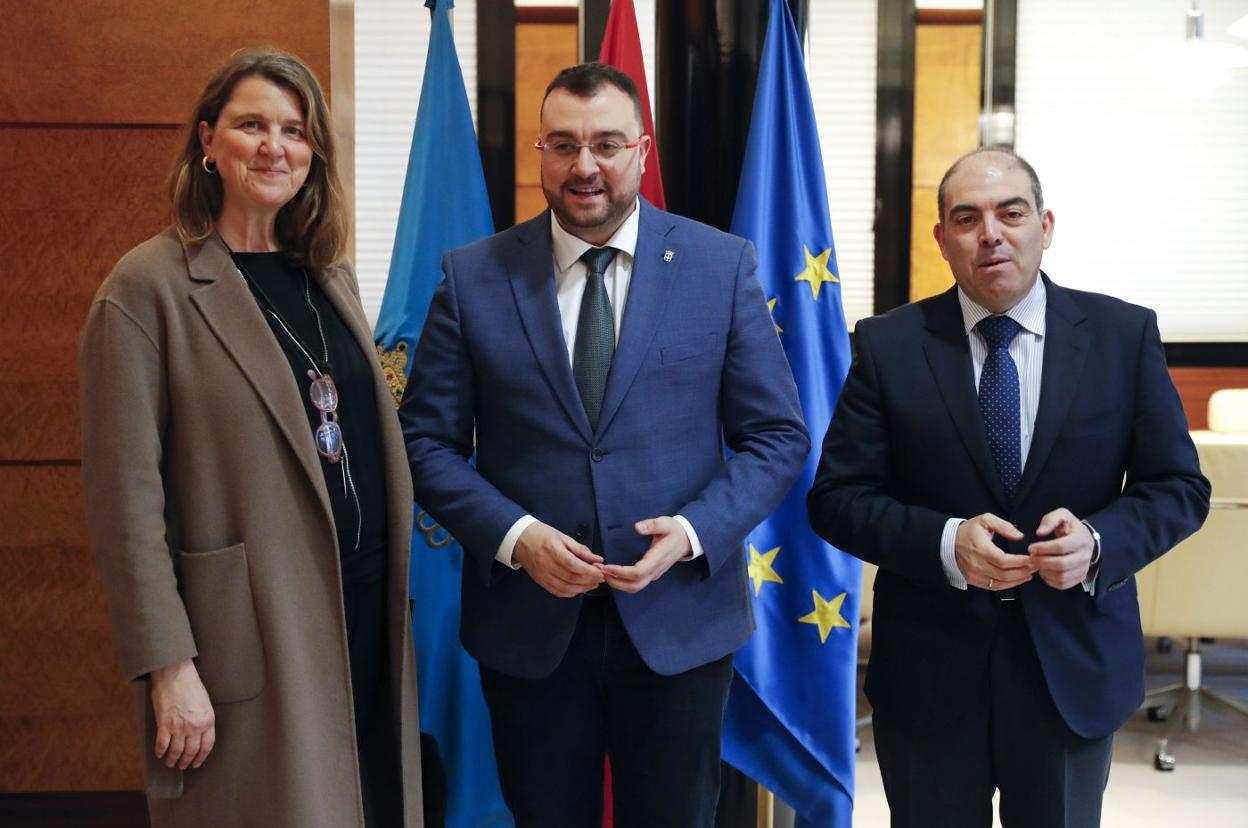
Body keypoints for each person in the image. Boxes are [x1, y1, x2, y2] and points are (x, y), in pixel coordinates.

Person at [399, 62, 808, 827]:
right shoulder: (474, 277)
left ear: (642, 152)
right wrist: (515, 539)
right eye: (563, 144)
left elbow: (777, 436)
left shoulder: (721, 267)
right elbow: (423, 441)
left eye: (606, 144)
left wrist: (691, 534)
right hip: (530, 628)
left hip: (679, 620)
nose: (584, 164)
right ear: (540, 154)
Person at [807, 147, 1210, 827]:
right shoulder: (887, 345)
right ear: (942, 240)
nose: (990, 232)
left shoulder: (1122, 335)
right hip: (930, 675)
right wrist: (943, 542)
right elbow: (838, 499)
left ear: (1044, 225)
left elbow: (1178, 487)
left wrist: (1099, 542)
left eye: (1010, 213)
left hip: (1071, 671)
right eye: (966, 218)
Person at [79, 48, 423, 827]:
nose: (276, 147)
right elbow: (124, 504)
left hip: (363, 612)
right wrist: (169, 665)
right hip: (251, 634)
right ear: (207, 141)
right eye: (251, 125)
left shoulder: (328, 273)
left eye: (295, 131)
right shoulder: (146, 289)